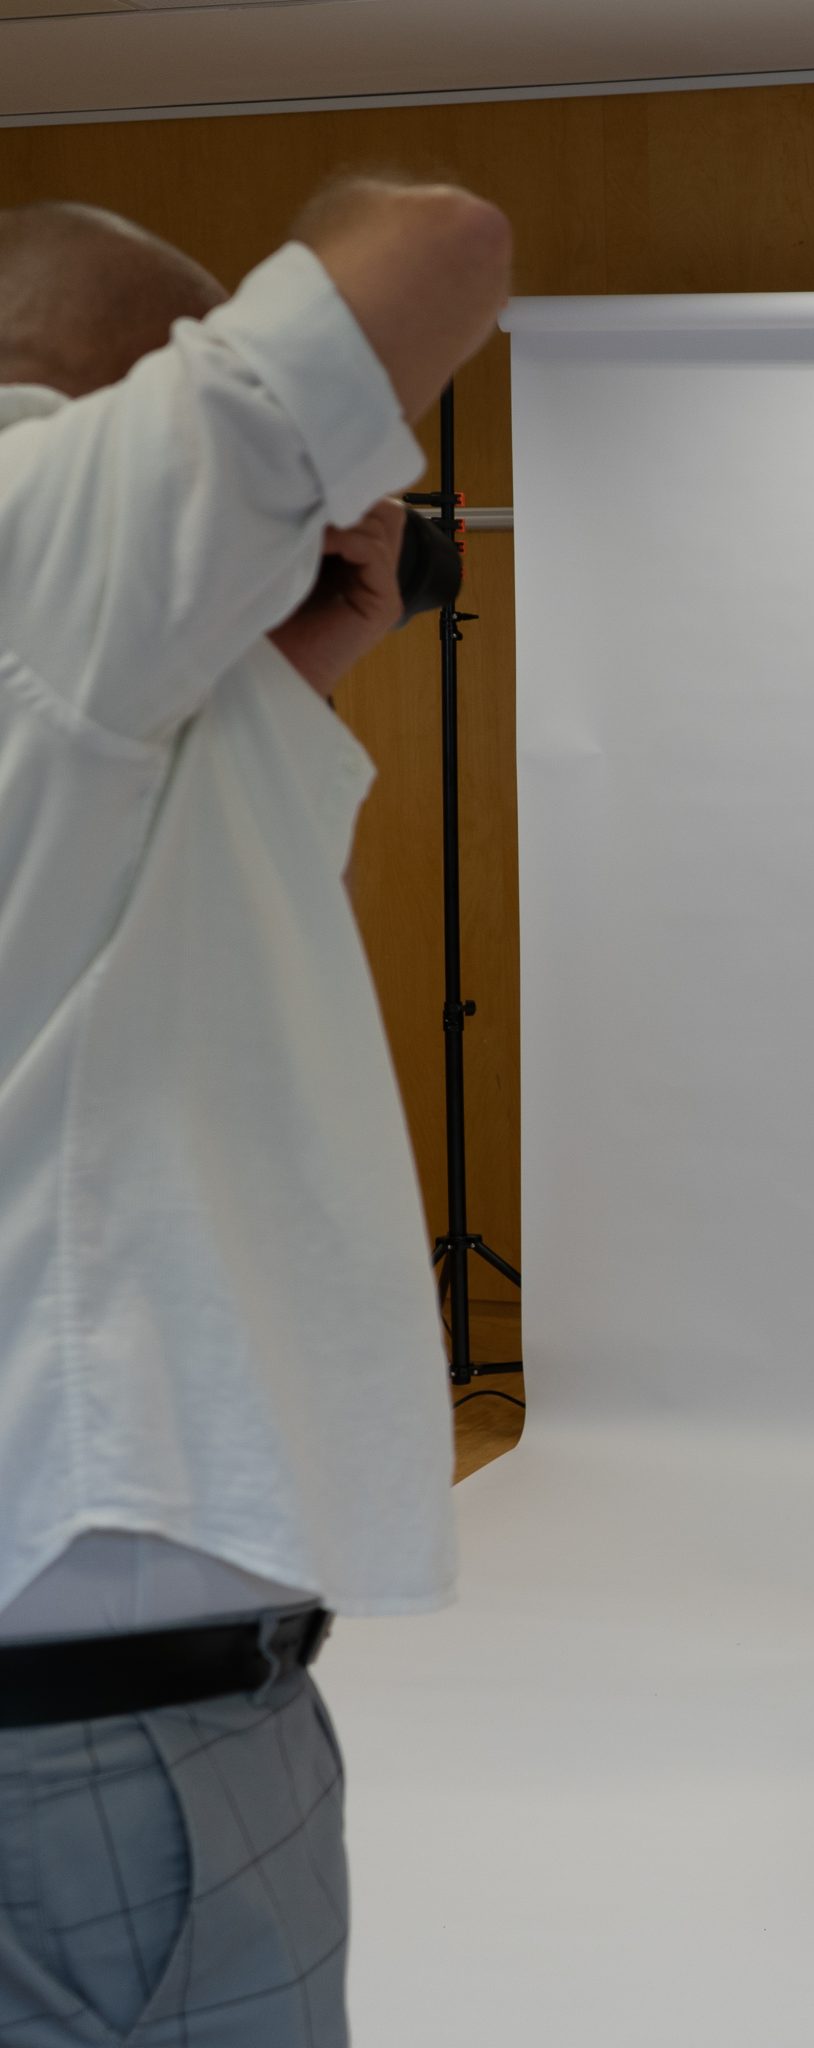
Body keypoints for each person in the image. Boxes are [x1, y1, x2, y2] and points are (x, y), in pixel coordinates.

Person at [0, 181, 511, 2043]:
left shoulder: (78, 680)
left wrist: (291, 650)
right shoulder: (33, 518)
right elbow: (433, 235)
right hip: (96, 1754)